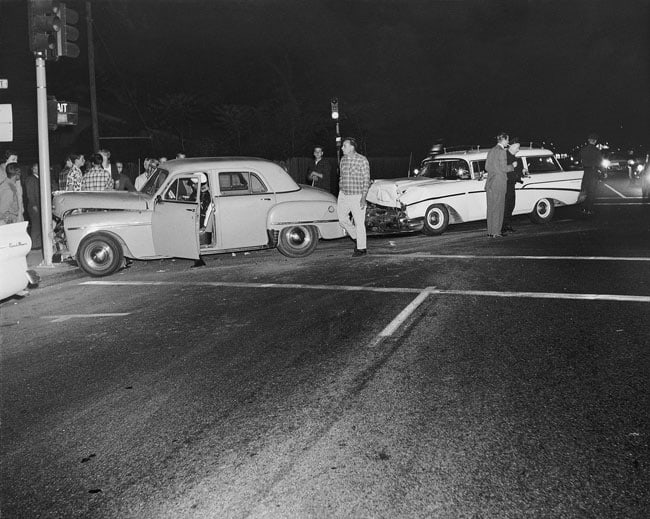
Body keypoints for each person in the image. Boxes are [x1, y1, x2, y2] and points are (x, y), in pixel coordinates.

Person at [337, 137, 371, 257]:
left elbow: (366, 180)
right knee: (342, 219)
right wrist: (340, 190)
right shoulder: (343, 160)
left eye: (344, 146)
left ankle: (361, 248)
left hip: (357, 195)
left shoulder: (362, 160)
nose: (342, 148)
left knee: (359, 222)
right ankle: (357, 237)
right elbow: (341, 176)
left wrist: (363, 197)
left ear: (352, 147)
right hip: (344, 194)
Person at [485, 132, 514, 237]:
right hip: (499, 183)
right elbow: (504, 168)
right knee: (499, 208)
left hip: (490, 183)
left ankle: (490, 232)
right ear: (504, 140)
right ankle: (496, 232)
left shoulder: (491, 151)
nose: (508, 142)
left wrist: (494, 172)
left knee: (491, 208)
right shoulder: (502, 152)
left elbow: (487, 167)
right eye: (507, 140)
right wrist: (512, 166)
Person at [502, 138, 525, 234]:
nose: (518, 149)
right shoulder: (503, 156)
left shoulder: (515, 157)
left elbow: (518, 171)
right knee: (505, 206)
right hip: (504, 185)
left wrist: (522, 172)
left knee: (511, 205)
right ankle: (502, 227)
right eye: (517, 147)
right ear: (511, 145)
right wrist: (512, 166)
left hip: (511, 184)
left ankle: (507, 224)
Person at [579, 133, 603, 216]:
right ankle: (589, 209)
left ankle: (583, 208)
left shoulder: (583, 150)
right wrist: (602, 172)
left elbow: (580, 160)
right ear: (595, 141)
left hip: (585, 171)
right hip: (593, 171)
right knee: (592, 191)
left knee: (585, 190)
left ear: (588, 140)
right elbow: (600, 162)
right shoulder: (597, 151)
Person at [24, 163, 42, 249]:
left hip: (36, 205)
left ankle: (37, 243)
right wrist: (34, 205)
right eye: (38, 168)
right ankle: (34, 244)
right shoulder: (31, 179)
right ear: (34, 169)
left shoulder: (37, 179)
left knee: (38, 225)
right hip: (34, 206)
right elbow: (30, 193)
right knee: (35, 225)